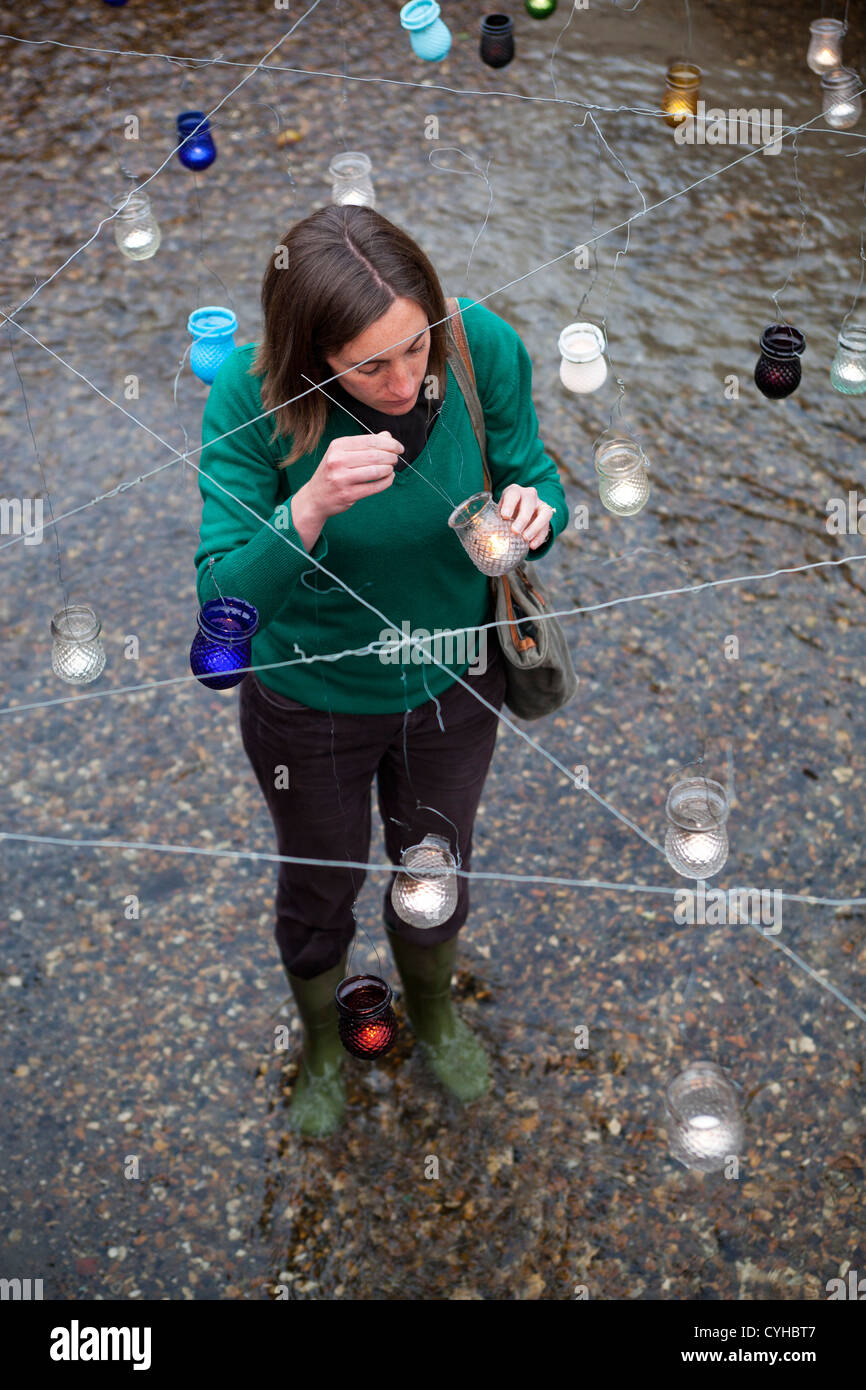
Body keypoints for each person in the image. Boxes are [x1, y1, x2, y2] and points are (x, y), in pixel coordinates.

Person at [194, 205, 569, 1137]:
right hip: (309, 702)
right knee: (320, 884)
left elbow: (539, 473)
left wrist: (538, 513)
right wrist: (309, 506)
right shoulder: (249, 397)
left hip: (453, 685)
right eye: (371, 364)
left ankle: (435, 1012)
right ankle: (324, 1041)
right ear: (312, 352)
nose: (404, 381)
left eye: (416, 348)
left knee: (434, 863)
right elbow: (221, 612)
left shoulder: (479, 345)